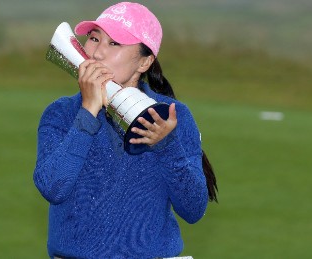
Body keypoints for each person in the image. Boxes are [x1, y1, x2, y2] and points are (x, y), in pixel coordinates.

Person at [34, 2, 218, 258]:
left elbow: (193, 209)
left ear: (144, 62)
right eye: (94, 38)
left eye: (114, 44)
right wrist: (87, 112)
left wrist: (167, 145)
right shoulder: (61, 113)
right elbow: (53, 187)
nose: (97, 53)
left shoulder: (172, 117)